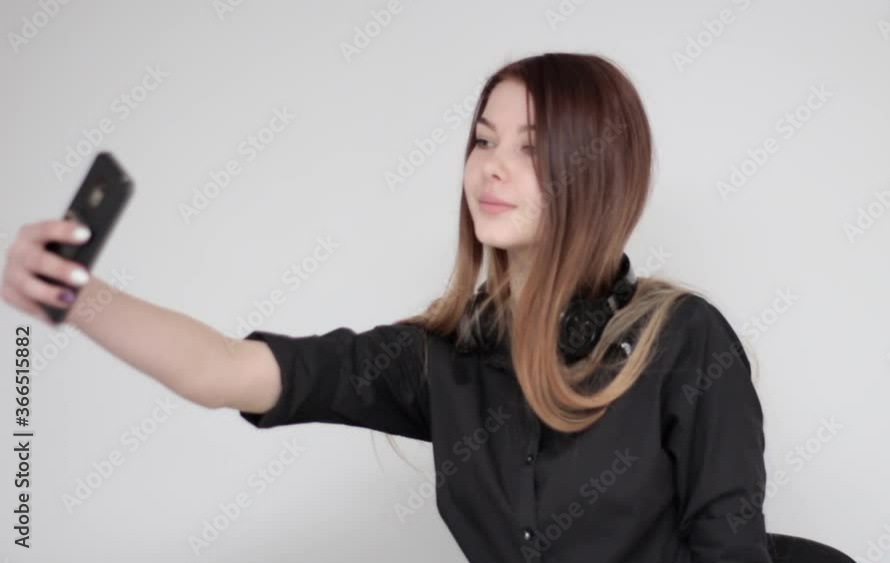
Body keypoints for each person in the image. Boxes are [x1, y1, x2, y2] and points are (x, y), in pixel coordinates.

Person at [1, 52, 773, 562]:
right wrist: (79, 297)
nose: (490, 169)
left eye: (530, 148)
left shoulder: (684, 343)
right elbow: (229, 370)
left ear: (597, 175)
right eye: (482, 139)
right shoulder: (444, 356)